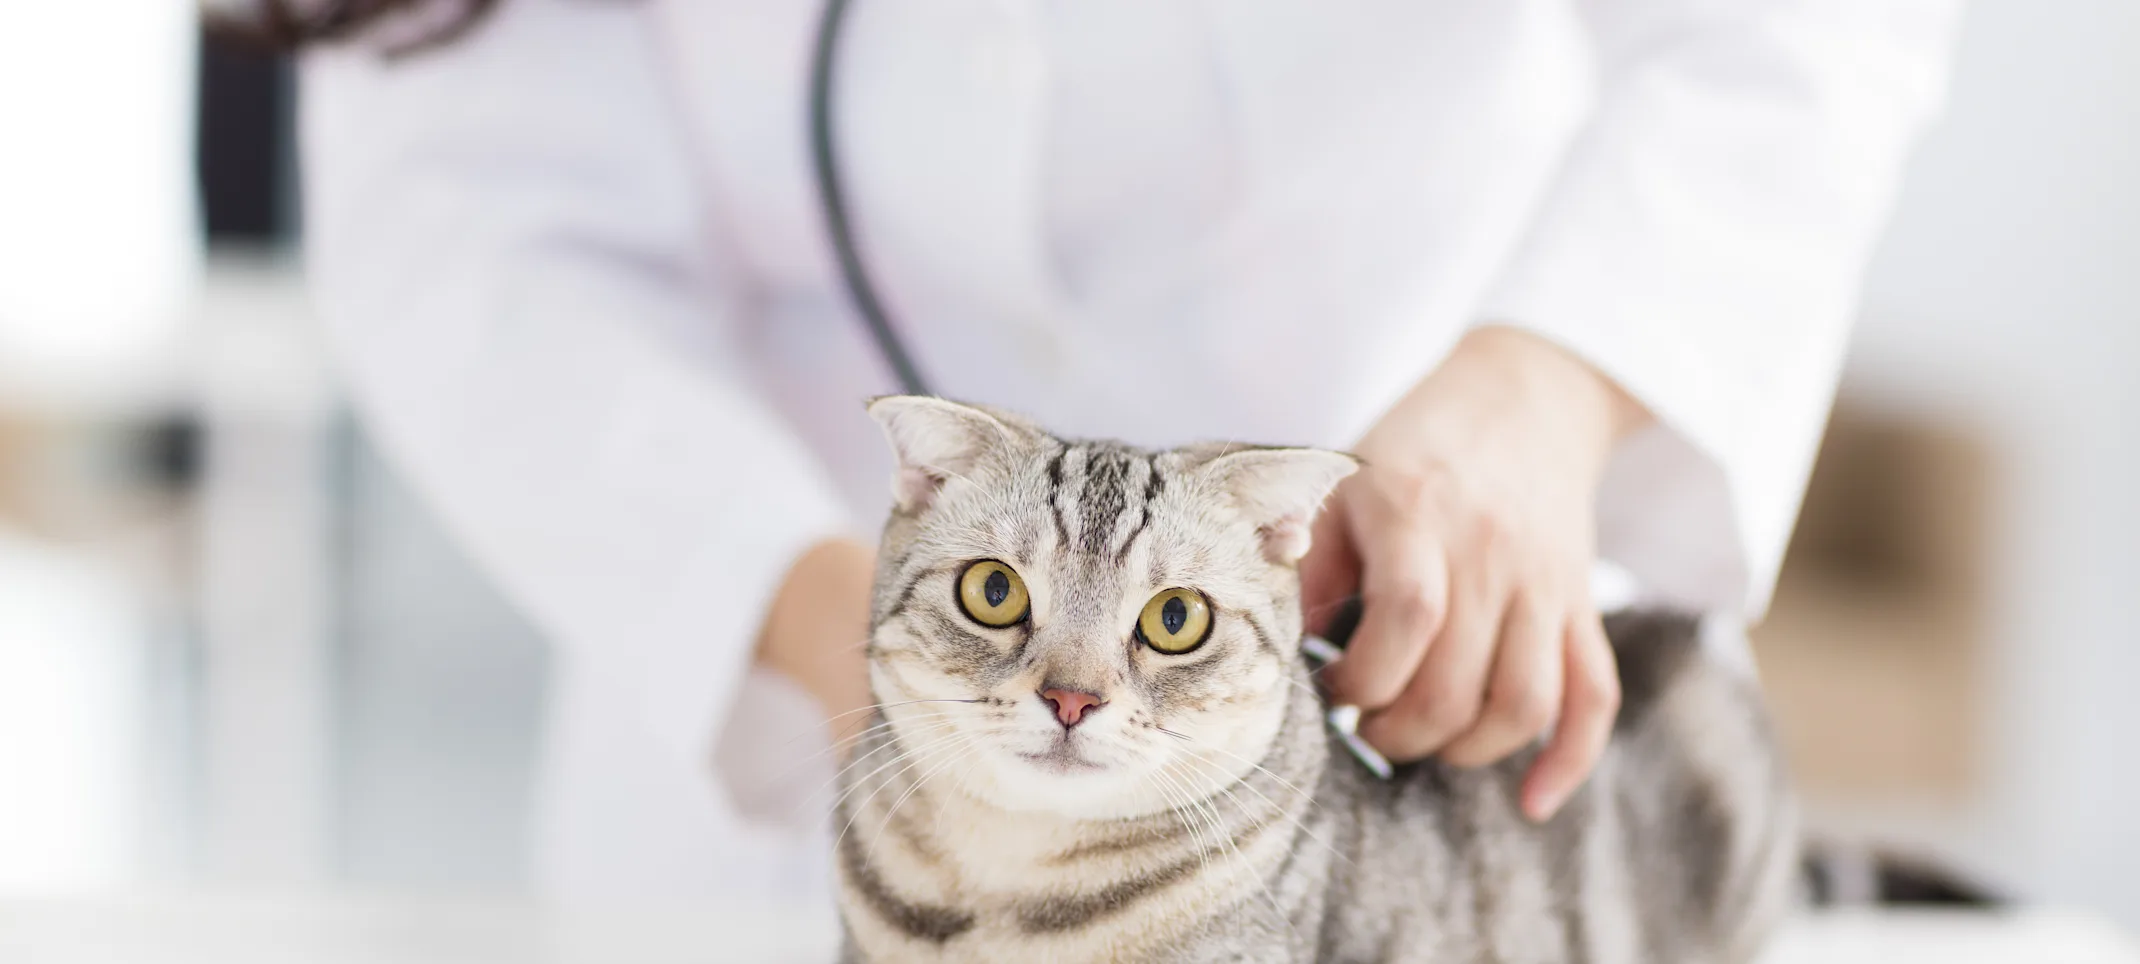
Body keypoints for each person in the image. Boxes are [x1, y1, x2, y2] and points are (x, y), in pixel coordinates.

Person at [286, 0, 1957, 900]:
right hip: (786, 768)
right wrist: (846, 629)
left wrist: (1553, 381)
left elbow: (1794, 32)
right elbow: (468, 228)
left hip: (1405, 645)